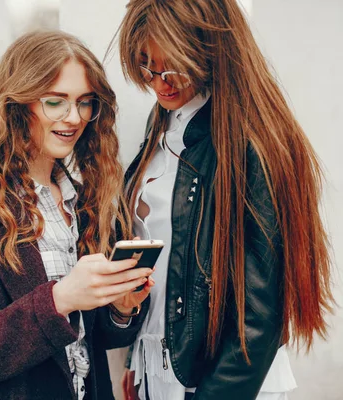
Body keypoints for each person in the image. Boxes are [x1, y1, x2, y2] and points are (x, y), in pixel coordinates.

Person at [113, 1, 335, 399]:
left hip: (220, 379)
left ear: (213, 52)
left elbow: (260, 315)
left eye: (174, 67)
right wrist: (140, 358)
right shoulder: (163, 121)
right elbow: (161, 261)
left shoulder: (252, 142)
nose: (160, 82)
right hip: (160, 368)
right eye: (147, 66)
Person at [0, 30, 156, 400]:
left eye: (84, 102)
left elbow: (87, 344)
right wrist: (59, 299)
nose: (74, 117)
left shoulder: (84, 201)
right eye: (55, 102)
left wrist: (121, 310)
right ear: (18, 103)